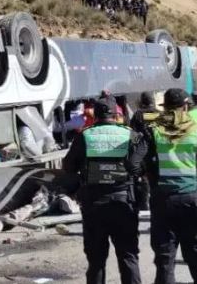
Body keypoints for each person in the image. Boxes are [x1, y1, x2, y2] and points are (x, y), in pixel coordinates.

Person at [143, 89, 197, 284]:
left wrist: (153, 183)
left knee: (165, 260)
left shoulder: (154, 129)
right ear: (186, 106)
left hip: (163, 200)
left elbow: (138, 162)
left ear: (164, 107)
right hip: (193, 199)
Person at [63, 93, 144, 284]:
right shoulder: (130, 135)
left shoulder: (85, 136)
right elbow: (140, 166)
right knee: (128, 256)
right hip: (124, 203)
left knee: (97, 261)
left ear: (95, 114)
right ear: (116, 114)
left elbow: (68, 167)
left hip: (94, 205)